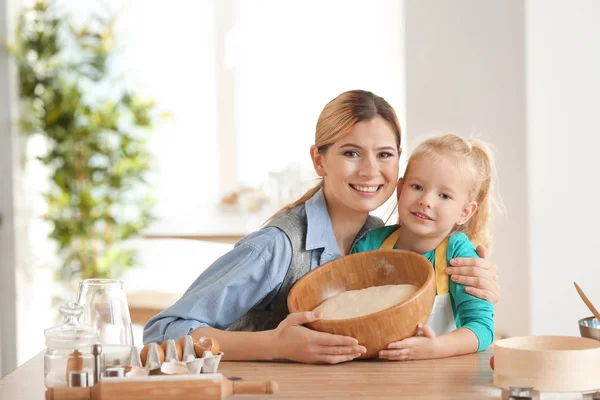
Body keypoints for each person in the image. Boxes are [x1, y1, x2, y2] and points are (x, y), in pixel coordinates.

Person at [143, 90, 501, 364]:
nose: (369, 170)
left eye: (384, 154)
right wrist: (272, 345)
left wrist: (477, 280)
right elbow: (161, 334)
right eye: (350, 153)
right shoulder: (276, 248)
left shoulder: (381, 238)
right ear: (319, 160)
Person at [352, 133, 498, 361]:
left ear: (464, 212)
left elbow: (482, 329)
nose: (426, 200)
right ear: (400, 190)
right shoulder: (370, 243)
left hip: (438, 380)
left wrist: (436, 348)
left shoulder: (457, 253)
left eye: (444, 195)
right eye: (417, 186)